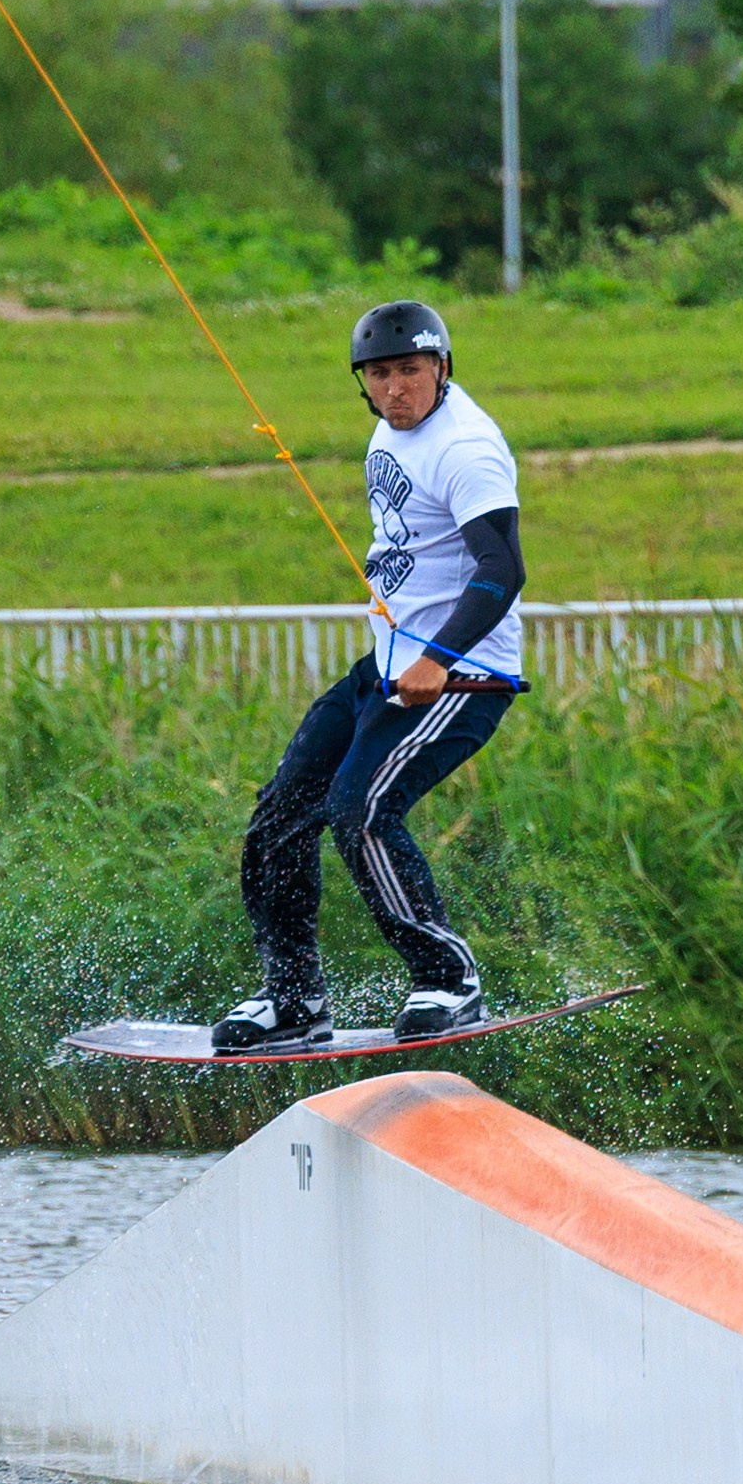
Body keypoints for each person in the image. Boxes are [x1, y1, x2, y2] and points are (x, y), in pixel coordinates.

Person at [213, 300, 526, 1051]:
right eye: (379, 375)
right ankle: (293, 1001)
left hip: (462, 677)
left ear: (441, 368)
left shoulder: (467, 448)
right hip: (386, 668)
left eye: (410, 371)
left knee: (360, 809)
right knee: (279, 816)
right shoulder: (390, 430)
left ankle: (449, 981)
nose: (395, 389)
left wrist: (437, 659)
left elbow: (502, 567)